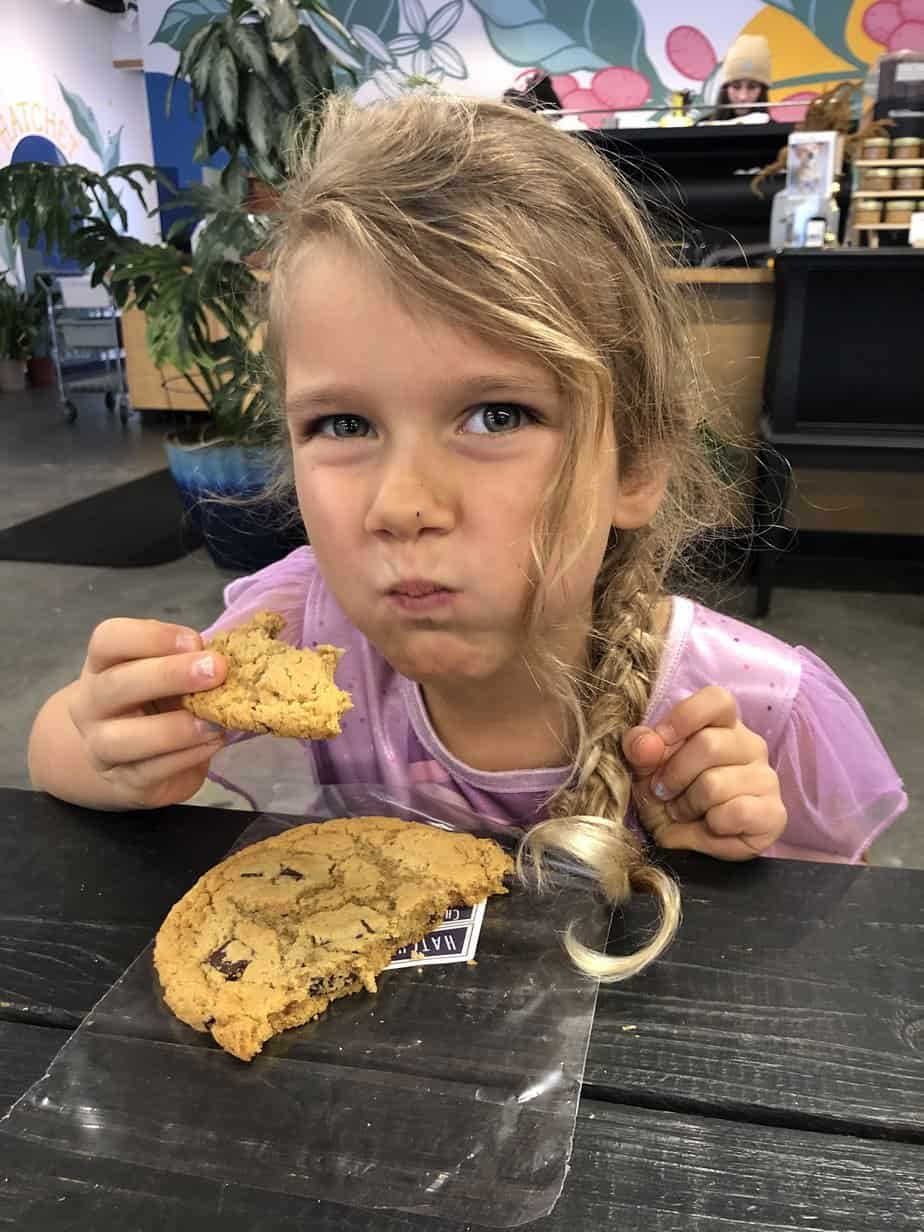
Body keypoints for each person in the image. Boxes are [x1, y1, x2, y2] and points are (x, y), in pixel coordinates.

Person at [27, 95, 906, 981]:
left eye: (496, 414)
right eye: (341, 424)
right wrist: (107, 745)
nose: (400, 504)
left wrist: (752, 858)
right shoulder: (300, 627)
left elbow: (850, 958)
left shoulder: (759, 711)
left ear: (634, 463)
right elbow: (57, 755)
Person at [700, 33, 772, 123]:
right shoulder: (701, 128)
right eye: (736, 86)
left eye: (752, 87)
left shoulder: (781, 134)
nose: (743, 97)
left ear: (763, 90)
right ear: (725, 88)